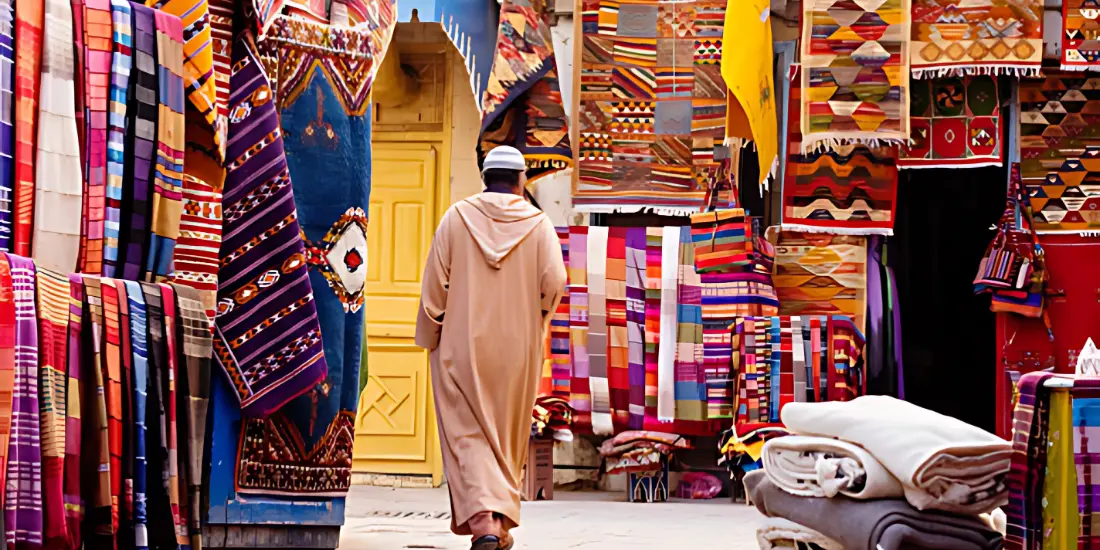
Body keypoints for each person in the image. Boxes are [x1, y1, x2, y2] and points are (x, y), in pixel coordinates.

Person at [414, 146, 567, 550]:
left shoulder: (455, 218)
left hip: (460, 348)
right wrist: (537, 319)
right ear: (520, 182)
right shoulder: (539, 225)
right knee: (504, 436)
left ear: (485, 178)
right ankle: (497, 524)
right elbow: (554, 284)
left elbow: (434, 290)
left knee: (468, 433)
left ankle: (484, 521)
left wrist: (430, 336)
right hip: (517, 350)